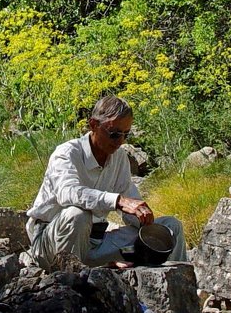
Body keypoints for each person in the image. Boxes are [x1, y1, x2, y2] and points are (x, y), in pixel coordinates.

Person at [25, 94, 188, 269]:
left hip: (96, 243)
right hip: (51, 245)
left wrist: (143, 220)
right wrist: (117, 201)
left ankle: (180, 285)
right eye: (114, 134)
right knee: (77, 215)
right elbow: (68, 192)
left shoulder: (119, 158)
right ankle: (69, 283)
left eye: (126, 134)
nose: (120, 141)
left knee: (171, 227)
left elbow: (129, 206)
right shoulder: (66, 153)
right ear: (94, 124)